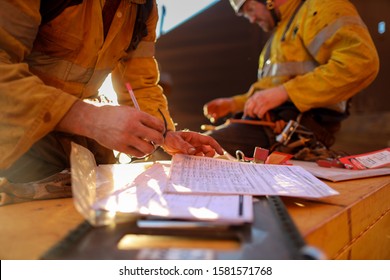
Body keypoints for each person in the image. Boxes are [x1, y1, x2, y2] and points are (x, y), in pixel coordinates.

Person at [0, 0, 223, 204]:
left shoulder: (144, 9)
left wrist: (164, 135)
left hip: (81, 149)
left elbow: (141, 85)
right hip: (15, 140)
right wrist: (91, 118)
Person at [203, 0, 379, 158]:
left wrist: (286, 92)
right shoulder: (277, 37)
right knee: (202, 144)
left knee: (203, 149)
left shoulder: (321, 8)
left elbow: (361, 63)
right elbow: (269, 90)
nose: (251, 19)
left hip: (298, 128)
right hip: (271, 125)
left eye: (250, 9)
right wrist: (233, 104)